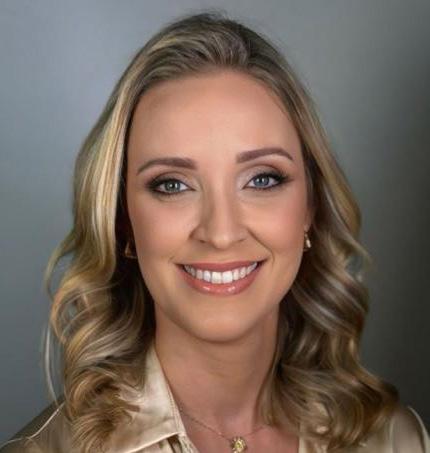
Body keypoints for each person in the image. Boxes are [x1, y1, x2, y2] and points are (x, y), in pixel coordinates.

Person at [0, 11, 428, 453]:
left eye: (262, 179)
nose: (221, 233)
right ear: (123, 221)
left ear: (310, 208)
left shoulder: (396, 440)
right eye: (172, 185)